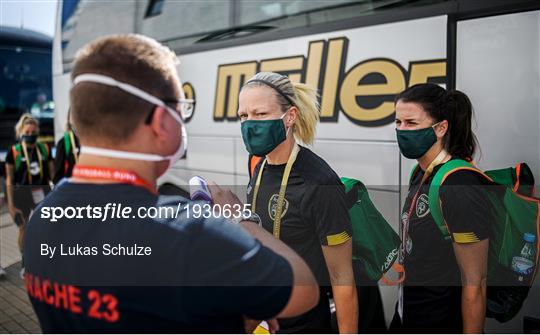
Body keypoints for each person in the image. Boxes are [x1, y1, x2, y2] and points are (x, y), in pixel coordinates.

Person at [23, 34, 319, 333]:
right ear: (161, 122)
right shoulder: (189, 231)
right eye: (181, 110)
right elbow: (303, 291)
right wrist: (239, 219)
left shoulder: (40, 222)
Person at [239, 72, 358, 333]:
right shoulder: (260, 166)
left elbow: (342, 278)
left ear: (289, 117)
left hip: (304, 323)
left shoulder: (319, 182)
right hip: (265, 318)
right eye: (243, 116)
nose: (249, 124)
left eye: (259, 114)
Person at [390, 83, 492, 333]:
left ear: (441, 128)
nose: (402, 130)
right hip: (407, 317)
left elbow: (475, 283)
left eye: (411, 123)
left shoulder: (459, 184)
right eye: (398, 122)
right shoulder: (421, 172)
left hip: (440, 322)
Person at [5, 113, 53, 278]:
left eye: (34, 133)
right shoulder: (14, 152)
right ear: (21, 131)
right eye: (28, 132)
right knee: (23, 227)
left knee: (46, 227)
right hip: (22, 192)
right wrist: (10, 205)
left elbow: (52, 175)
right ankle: (25, 264)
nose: (31, 135)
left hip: (41, 190)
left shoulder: (44, 149)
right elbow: (9, 179)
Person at [53, 111, 80, 184]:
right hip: (72, 189)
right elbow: (58, 176)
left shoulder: (93, 140)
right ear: (69, 120)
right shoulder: (64, 143)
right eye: (74, 116)